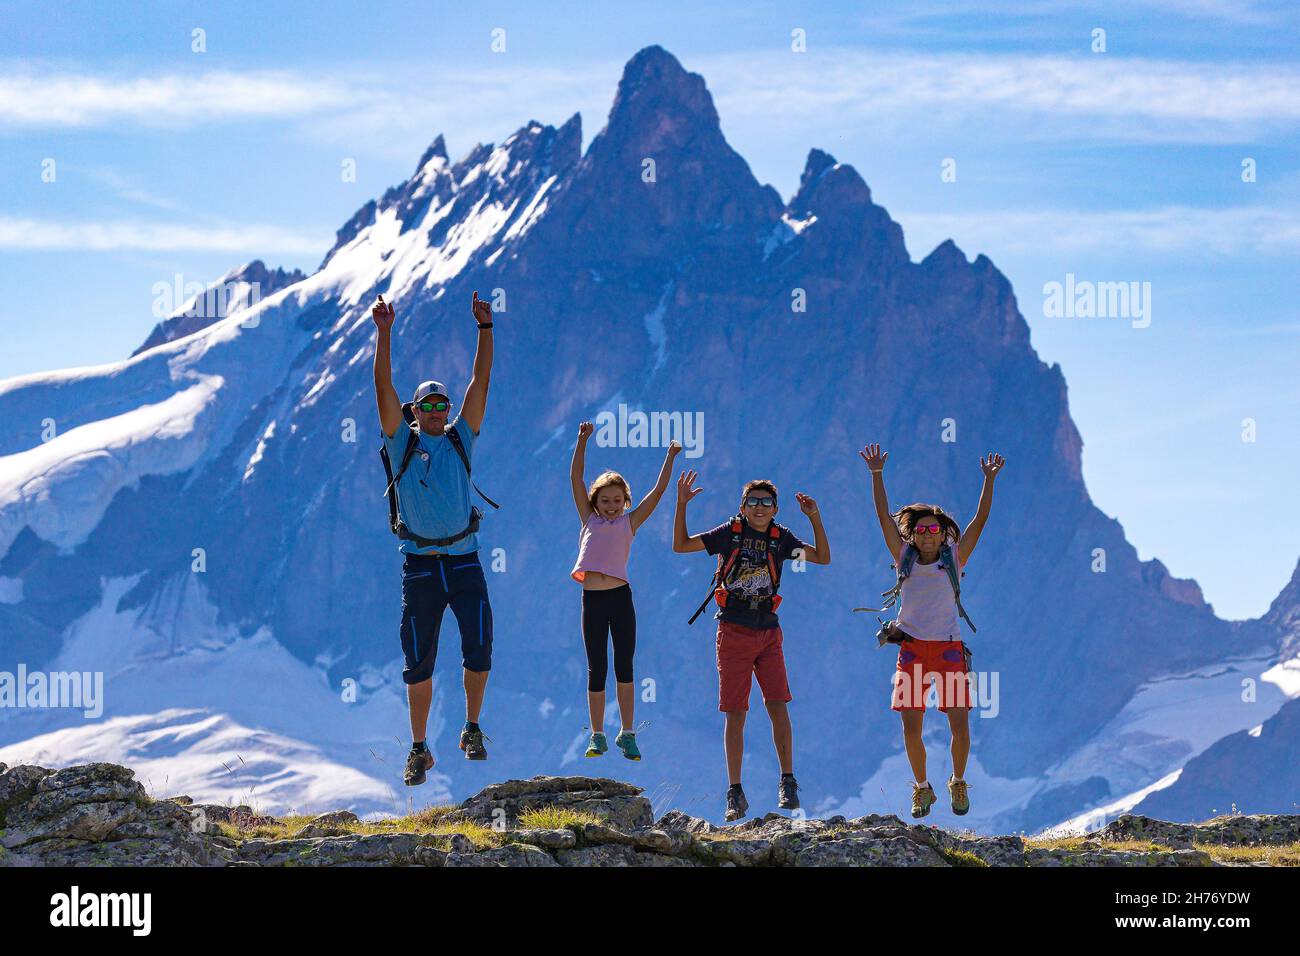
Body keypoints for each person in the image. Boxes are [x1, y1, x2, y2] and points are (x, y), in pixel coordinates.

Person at [372, 291, 498, 786]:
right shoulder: (400, 442)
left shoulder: (460, 439)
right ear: (414, 411)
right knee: (417, 661)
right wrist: (384, 334)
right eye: (427, 405)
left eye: (442, 405)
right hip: (421, 566)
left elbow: (480, 382)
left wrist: (485, 330)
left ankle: (471, 730)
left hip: (464, 562)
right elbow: (382, 385)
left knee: (480, 647)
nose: (437, 411)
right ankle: (420, 750)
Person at [673, 471, 830, 821]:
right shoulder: (729, 533)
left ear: (775, 509)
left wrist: (814, 517)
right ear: (742, 506)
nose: (760, 507)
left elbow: (822, 557)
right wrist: (681, 505)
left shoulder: (781, 539)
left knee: (778, 704)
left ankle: (787, 781)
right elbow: (681, 545)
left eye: (767, 502)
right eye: (753, 502)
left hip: (768, 630)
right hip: (733, 630)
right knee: (736, 713)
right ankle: (735, 792)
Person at [860, 441, 1005, 817]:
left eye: (934, 530)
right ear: (913, 534)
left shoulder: (955, 559)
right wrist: (877, 474)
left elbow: (981, 520)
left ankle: (957, 782)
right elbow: (881, 517)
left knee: (959, 722)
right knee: (911, 726)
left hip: (949, 650)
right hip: (911, 651)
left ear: (944, 535)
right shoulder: (902, 556)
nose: (927, 534)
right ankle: (922, 789)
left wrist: (988, 481)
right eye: (922, 529)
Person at [569, 423, 680, 760]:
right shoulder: (589, 519)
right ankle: (597, 734)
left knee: (625, 665)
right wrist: (582, 441)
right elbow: (575, 479)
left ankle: (627, 733)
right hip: (592, 599)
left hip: (620, 599)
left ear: (625, 501)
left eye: (618, 500)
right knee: (596, 667)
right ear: (596, 502)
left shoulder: (629, 522)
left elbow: (658, 493)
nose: (612, 505)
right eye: (606, 500)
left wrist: (671, 456)